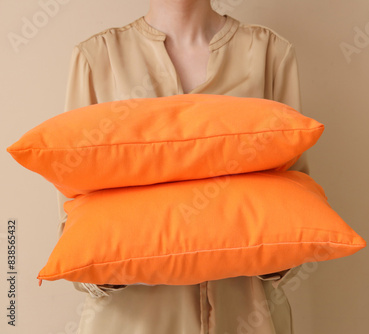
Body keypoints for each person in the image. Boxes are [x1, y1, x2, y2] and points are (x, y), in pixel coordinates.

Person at [56, 0, 311, 332]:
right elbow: (73, 220)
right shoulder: (97, 58)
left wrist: (262, 249)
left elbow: (296, 207)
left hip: (247, 316)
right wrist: (113, 264)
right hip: (130, 322)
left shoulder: (268, 53)